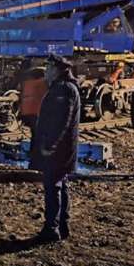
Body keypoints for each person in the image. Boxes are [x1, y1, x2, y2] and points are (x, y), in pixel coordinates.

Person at [35, 54, 80, 242]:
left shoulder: (62, 89)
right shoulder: (64, 87)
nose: (45, 71)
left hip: (58, 150)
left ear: (56, 69)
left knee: (53, 187)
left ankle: (51, 229)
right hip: (62, 148)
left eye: (48, 68)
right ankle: (62, 226)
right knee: (61, 184)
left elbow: (61, 121)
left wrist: (50, 145)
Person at [18, 66, 47, 171]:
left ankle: (33, 156)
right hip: (38, 112)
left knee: (35, 135)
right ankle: (38, 159)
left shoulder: (26, 84)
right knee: (40, 136)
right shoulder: (43, 83)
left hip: (27, 113)